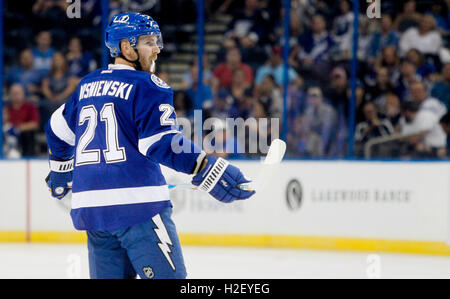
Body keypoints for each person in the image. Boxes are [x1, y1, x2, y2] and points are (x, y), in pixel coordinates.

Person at [44, 13, 255, 279]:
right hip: (138, 210)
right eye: (148, 42)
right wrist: (204, 165)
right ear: (125, 47)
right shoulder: (148, 85)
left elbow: (55, 128)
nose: (157, 48)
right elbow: (160, 142)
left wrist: (62, 170)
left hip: (93, 212)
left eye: (157, 41)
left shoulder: (88, 84)